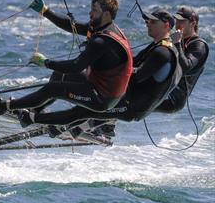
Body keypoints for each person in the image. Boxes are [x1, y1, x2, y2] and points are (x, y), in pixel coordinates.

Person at [19, 9, 182, 126]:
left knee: (83, 111)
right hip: (125, 97)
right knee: (65, 75)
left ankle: (32, 119)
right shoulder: (157, 46)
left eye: (152, 21)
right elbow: (130, 63)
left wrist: (104, 68)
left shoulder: (163, 52)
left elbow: (135, 76)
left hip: (131, 107)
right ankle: (39, 110)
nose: (148, 24)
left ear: (166, 25)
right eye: (147, 21)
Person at [0, 0, 132, 115]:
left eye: (94, 10)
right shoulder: (104, 27)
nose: (90, 13)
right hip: (99, 86)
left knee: (52, 89)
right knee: (59, 75)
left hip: (102, 99)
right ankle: (34, 109)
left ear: (106, 14)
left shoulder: (102, 40)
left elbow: (75, 66)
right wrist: (45, 11)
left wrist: (46, 62)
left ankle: (4, 106)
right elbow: (73, 26)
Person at [154, 6, 209, 113]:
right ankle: (110, 125)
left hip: (174, 99)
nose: (178, 23)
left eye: (182, 21)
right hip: (162, 90)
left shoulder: (199, 45)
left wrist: (177, 43)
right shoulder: (175, 40)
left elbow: (186, 67)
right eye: (177, 20)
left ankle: (110, 124)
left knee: (131, 102)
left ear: (193, 23)